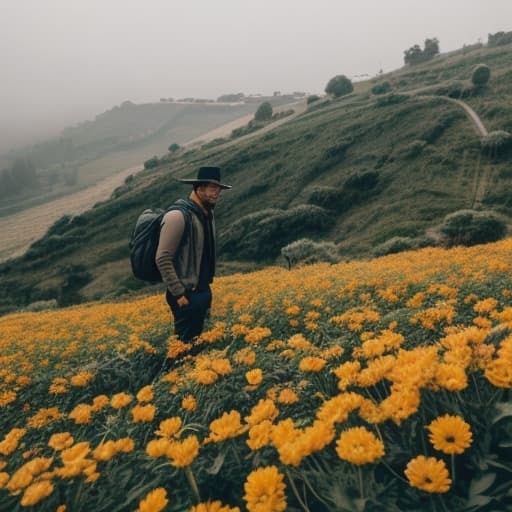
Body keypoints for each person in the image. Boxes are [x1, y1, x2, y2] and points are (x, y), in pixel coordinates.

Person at [155, 166, 231, 343]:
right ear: (199, 188)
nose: (217, 193)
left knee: (198, 344)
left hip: (202, 291)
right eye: (213, 188)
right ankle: (173, 371)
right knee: (184, 347)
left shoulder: (206, 214)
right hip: (186, 295)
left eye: (218, 188)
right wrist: (180, 294)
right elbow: (162, 258)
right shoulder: (178, 216)